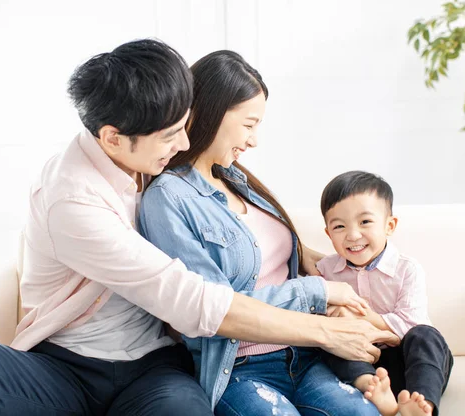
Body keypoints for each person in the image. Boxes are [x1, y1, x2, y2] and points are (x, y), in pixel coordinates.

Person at [0, 40, 391, 416]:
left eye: (184, 126)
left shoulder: (147, 161)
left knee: (183, 408)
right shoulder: (73, 200)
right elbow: (191, 298)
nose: (184, 144)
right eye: (171, 135)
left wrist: (313, 259)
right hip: (66, 365)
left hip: (150, 366)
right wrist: (324, 327)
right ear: (111, 137)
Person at [138, 50, 399, 416]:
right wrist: (318, 292)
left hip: (306, 357)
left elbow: (297, 257)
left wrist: (370, 279)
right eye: (249, 124)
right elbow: (213, 307)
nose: (254, 139)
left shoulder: (240, 182)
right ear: (211, 111)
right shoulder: (167, 199)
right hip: (241, 370)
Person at [317, 170, 454, 416]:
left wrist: (362, 317)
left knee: (426, 336)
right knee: (331, 344)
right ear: (328, 233)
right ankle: (374, 390)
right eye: (339, 226)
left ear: (389, 225)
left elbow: (411, 323)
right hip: (362, 361)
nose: (353, 235)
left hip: (407, 360)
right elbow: (317, 316)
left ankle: (421, 404)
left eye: (365, 222)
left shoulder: (406, 269)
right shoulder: (324, 271)